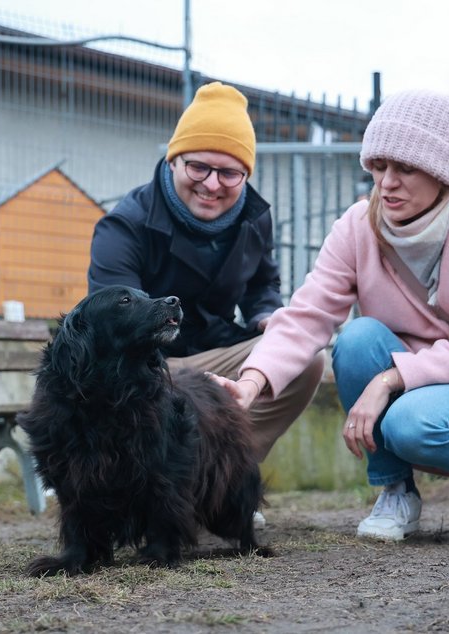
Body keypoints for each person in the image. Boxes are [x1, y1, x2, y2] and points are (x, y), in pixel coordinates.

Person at [216, 89, 449, 542]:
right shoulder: (356, 224)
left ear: (445, 173)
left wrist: (387, 380)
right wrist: (251, 382)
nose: (387, 182)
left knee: (410, 422)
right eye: (379, 166)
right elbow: (309, 313)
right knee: (356, 338)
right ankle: (396, 492)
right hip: (411, 370)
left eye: (406, 167)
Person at [87, 82, 326, 520]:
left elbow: (263, 284)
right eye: (198, 167)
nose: (212, 185)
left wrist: (264, 317)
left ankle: (226, 482)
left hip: (216, 350)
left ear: (246, 176)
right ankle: (154, 492)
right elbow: (113, 328)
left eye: (229, 173)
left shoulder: (255, 219)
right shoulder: (125, 226)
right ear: (174, 159)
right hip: (149, 367)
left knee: (303, 358)